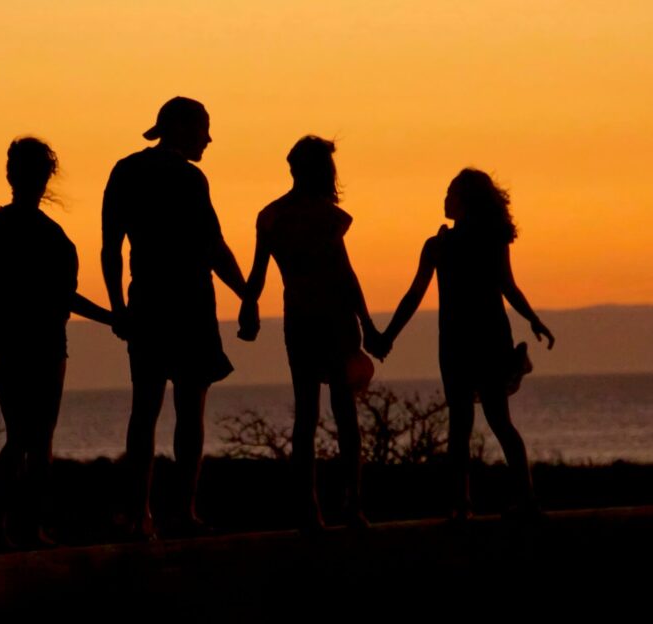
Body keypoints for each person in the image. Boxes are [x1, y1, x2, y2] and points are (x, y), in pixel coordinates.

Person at [101, 97, 246, 539]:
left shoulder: (125, 171)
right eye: (203, 128)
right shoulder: (189, 178)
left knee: (143, 411)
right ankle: (182, 511)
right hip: (189, 305)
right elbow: (214, 247)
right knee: (188, 412)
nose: (208, 138)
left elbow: (111, 248)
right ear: (181, 128)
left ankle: (139, 514)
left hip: (145, 302)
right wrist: (247, 294)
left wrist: (118, 309)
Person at [378, 168, 555, 521]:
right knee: (489, 422)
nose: (445, 199)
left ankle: (473, 503)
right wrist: (388, 336)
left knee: (470, 424)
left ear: (465, 201)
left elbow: (505, 287)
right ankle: (504, 499)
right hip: (476, 340)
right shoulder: (450, 244)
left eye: (451, 193)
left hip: (468, 341)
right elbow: (506, 287)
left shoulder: (446, 245)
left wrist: (388, 337)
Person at [0, 137, 112, 547]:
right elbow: (62, 297)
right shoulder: (50, 236)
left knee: (21, 437)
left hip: (16, 345)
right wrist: (113, 318)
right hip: (43, 346)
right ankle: (25, 526)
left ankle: (10, 526)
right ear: (45, 177)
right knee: (36, 439)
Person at [239, 135, 380, 533]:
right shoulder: (327, 216)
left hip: (299, 320)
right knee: (344, 414)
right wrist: (367, 324)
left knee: (308, 415)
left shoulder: (271, 216)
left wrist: (249, 309)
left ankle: (310, 508)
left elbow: (258, 273)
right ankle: (350, 505)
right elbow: (345, 276)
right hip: (333, 320)